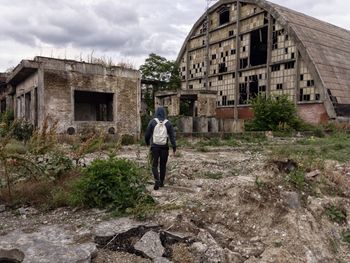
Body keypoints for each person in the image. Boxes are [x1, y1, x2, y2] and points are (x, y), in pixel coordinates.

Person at [145, 107, 176, 190]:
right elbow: (172, 137)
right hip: (164, 148)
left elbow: (147, 135)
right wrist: (174, 147)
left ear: (156, 113)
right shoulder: (168, 123)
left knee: (154, 165)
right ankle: (161, 182)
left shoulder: (152, 122)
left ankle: (156, 180)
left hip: (154, 147)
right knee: (163, 165)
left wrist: (147, 143)